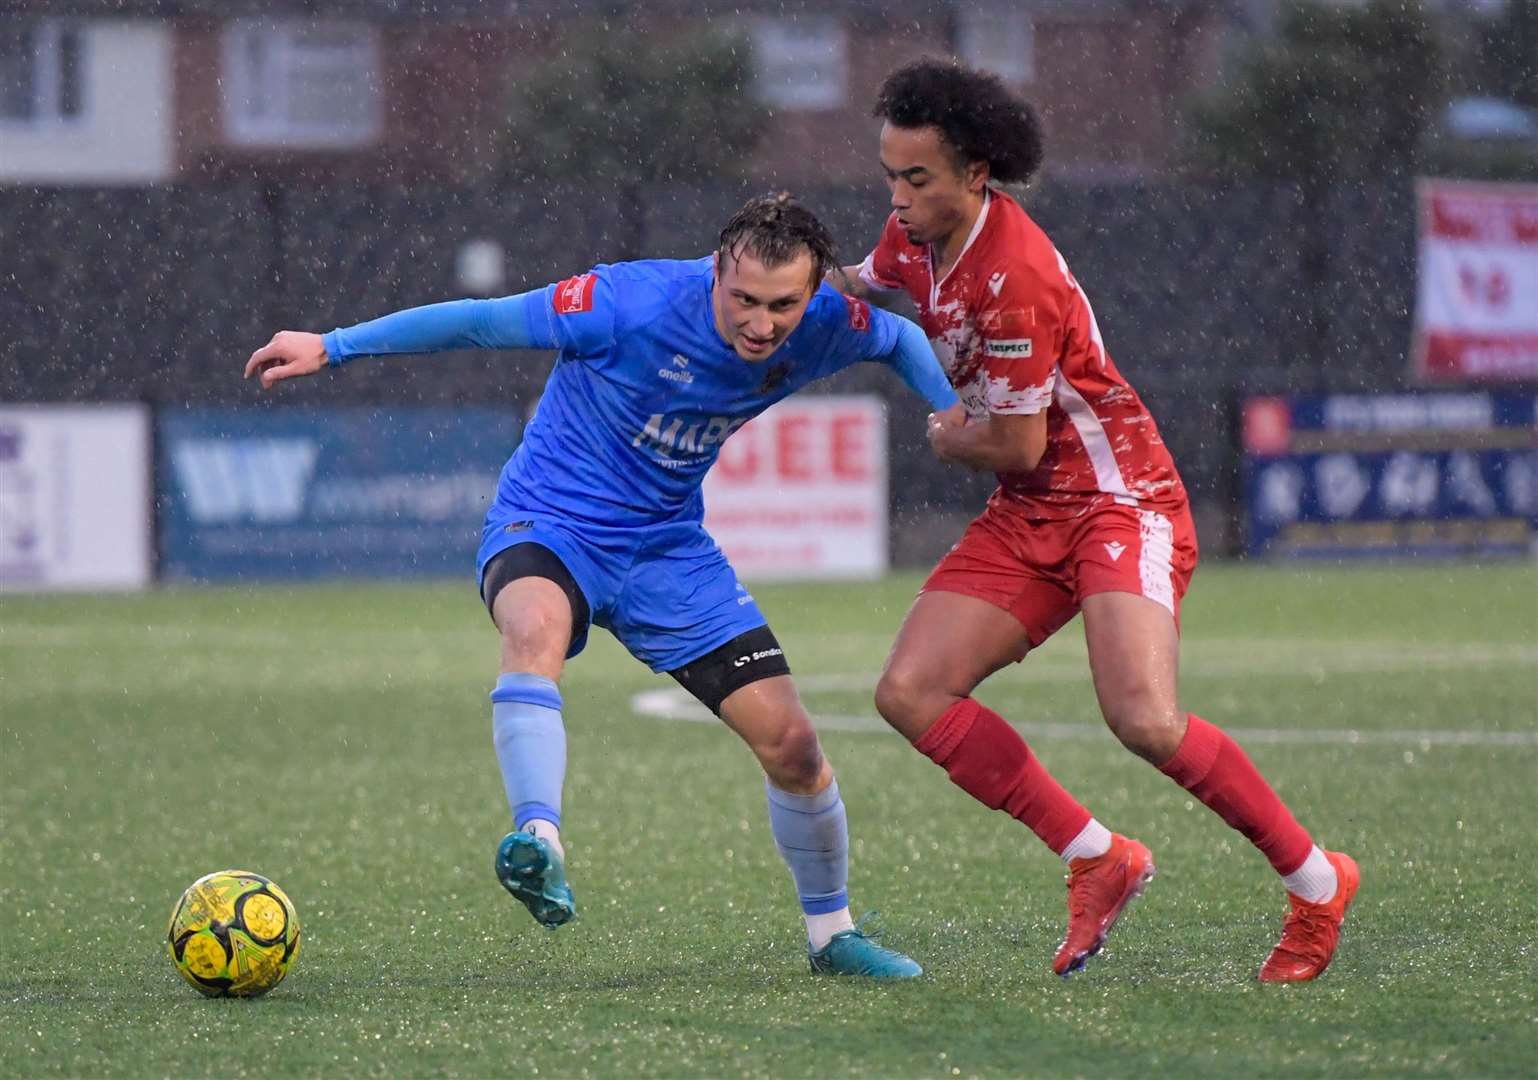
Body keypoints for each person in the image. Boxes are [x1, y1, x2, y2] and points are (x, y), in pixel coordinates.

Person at [244, 193, 955, 979]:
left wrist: (963, 413)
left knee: (794, 747)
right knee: (532, 635)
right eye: (743, 299)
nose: (760, 323)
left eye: (781, 305)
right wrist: (333, 346)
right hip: (550, 523)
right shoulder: (626, 301)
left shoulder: (825, 322)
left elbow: (899, 338)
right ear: (716, 271)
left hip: (667, 553)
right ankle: (538, 840)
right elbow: (480, 321)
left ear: (812, 291)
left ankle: (833, 936)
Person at [833, 60, 1358, 982]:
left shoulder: (1016, 273)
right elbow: (858, 285)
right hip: (1029, 514)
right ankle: (1095, 856)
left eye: (918, 179)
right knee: (910, 694)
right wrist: (770, 289)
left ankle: (1317, 885)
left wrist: (950, 441)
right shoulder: (911, 238)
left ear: (976, 174)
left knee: (1144, 719)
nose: (899, 198)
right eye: (889, 175)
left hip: (1119, 499)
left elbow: (1018, 445)